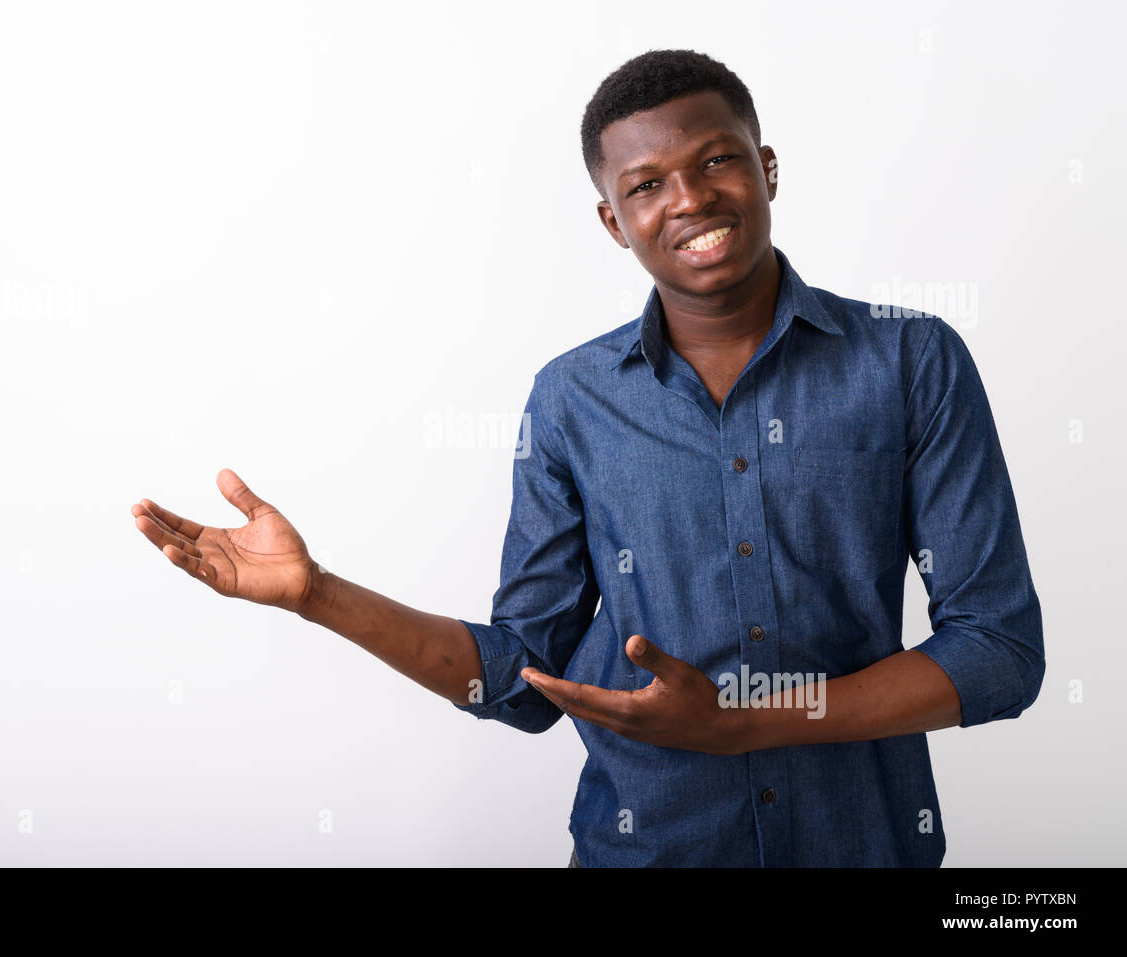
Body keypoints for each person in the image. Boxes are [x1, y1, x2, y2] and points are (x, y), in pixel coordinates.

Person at [131, 49, 1044, 867]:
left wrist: (745, 723)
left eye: (716, 159)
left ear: (766, 168)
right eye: (647, 185)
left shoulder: (909, 359)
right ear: (614, 221)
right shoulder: (570, 400)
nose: (689, 200)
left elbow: (999, 651)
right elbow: (526, 674)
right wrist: (317, 593)